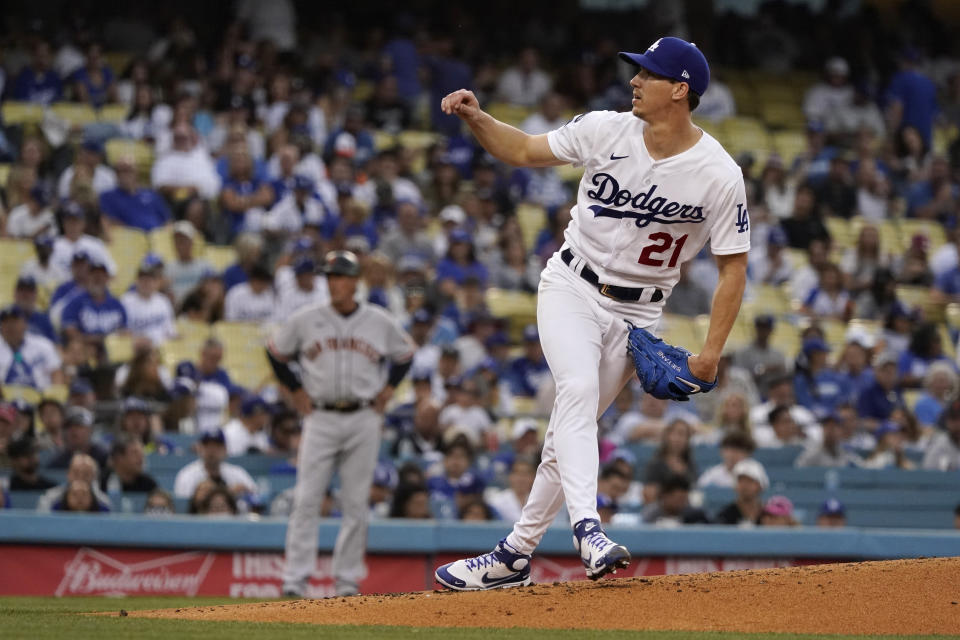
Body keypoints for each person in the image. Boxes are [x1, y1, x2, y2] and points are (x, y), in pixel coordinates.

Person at [435, 37, 749, 589]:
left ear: (680, 90)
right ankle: (589, 531)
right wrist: (478, 118)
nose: (634, 80)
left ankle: (514, 555)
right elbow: (525, 149)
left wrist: (711, 353)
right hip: (571, 286)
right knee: (576, 393)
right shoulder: (606, 128)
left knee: (567, 434)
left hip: (639, 318)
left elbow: (733, 269)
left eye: (648, 73)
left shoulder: (719, 174)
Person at [266, 250, 415, 598]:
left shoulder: (378, 320)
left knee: (355, 502)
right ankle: (294, 580)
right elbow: (275, 352)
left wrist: (389, 389)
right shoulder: (306, 319)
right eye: (329, 277)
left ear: (354, 281)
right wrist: (295, 389)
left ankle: (347, 582)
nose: (333, 283)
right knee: (306, 499)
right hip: (319, 416)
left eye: (340, 277)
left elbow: (405, 356)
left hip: (364, 417)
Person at [172, 429, 258, 500]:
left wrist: (246, 491)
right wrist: (228, 493)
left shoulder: (238, 473)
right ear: (200, 448)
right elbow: (184, 506)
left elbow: (257, 496)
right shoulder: (187, 475)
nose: (212, 451)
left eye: (217, 446)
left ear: (225, 449)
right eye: (207, 446)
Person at [99, 156, 171, 231]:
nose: (124, 175)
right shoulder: (108, 196)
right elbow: (108, 221)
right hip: (129, 238)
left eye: (128, 170)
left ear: (136, 172)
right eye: (120, 171)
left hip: (157, 237)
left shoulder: (152, 195)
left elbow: (167, 221)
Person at [0, 305, 62, 391]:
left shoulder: (43, 345)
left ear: (25, 324)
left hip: (41, 399)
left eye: (14, 321)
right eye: (5, 322)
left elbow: (56, 374)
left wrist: (53, 397)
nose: (10, 326)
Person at [121, 258, 176, 346]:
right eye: (143, 279)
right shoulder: (126, 301)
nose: (146, 283)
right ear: (136, 281)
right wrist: (135, 339)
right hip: (137, 350)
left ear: (156, 282)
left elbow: (170, 331)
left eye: (150, 279)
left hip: (162, 350)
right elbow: (122, 333)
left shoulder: (163, 301)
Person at [37, 452, 111, 512]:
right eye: (76, 472)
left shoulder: (104, 503)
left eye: (86, 474)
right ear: (68, 474)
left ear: (94, 476)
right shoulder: (49, 499)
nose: (80, 477)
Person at [713, 458, 768, 526]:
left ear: (761, 486)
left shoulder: (771, 515)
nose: (744, 485)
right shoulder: (724, 516)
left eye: (750, 481)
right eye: (740, 480)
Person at [640, 474, 709, 525]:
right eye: (678, 499)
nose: (681, 503)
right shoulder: (650, 514)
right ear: (665, 496)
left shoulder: (694, 515)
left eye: (684, 499)